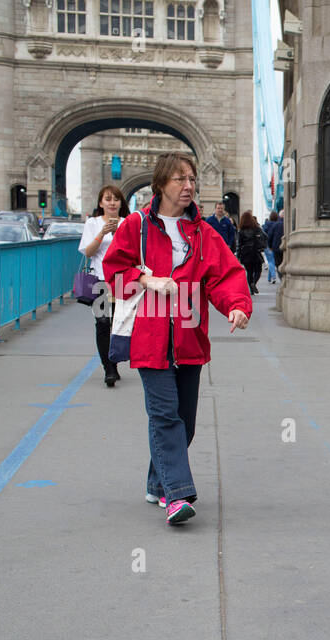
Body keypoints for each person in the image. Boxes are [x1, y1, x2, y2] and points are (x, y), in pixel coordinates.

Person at [103, 152, 252, 526]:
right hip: (149, 337)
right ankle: (177, 495)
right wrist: (146, 279)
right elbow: (113, 276)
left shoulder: (202, 232)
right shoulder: (135, 226)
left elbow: (224, 275)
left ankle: (157, 482)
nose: (188, 187)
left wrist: (237, 306)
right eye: (180, 180)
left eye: (192, 179)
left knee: (185, 421)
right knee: (166, 416)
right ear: (160, 185)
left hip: (189, 337)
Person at [79, 185, 130, 386]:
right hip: (100, 280)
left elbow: (131, 253)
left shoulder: (128, 223)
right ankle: (108, 369)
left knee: (118, 324)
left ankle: (114, 363)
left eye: (116, 199)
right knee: (102, 324)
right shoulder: (92, 223)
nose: (112, 202)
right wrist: (102, 233)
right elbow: (88, 252)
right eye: (107, 199)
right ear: (101, 203)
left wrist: (118, 234)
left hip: (121, 280)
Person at [237, 210, 267, 294]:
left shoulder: (241, 230)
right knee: (258, 270)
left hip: (245, 253)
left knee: (249, 271)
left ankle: (251, 290)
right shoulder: (256, 228)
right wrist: (262, 246)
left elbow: (239, 244)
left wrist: (238, 256)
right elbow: (265, 236)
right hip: (255, 251)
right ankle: (254, 282)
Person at [262, 210, 282, 283]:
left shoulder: (267, 224)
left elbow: (265, 234)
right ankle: (269, 278)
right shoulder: (278, 224)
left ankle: (273, 277)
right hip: (276, 244)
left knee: (270, 261)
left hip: (268, 244)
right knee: (272, 261)